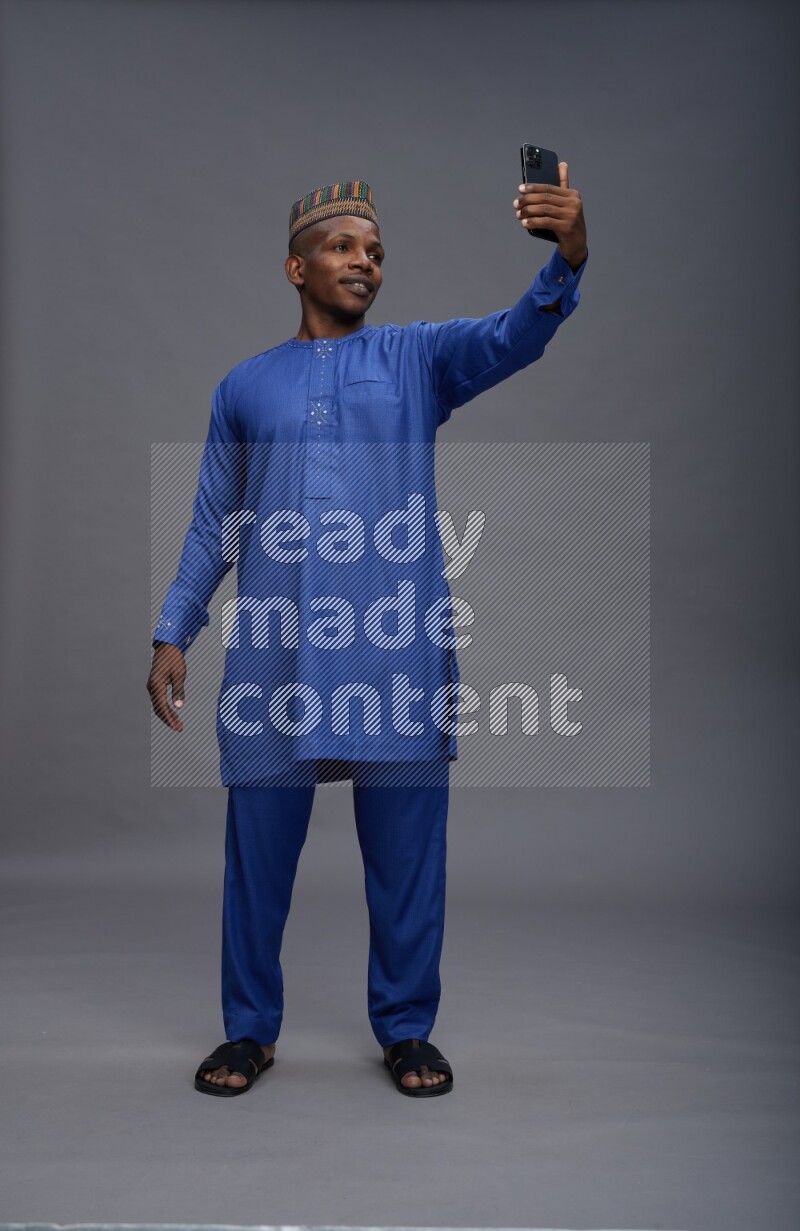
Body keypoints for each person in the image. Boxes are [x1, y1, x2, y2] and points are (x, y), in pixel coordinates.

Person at [147, 171, 588, 1098]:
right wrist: (172, 630)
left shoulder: (418, 359)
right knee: (257, 858)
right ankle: (248, 1031)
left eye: (376, 253)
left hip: (394, 651)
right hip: (275, 654)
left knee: (407, 857)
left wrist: (568, 257)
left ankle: (407, 1028)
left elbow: (517, 336)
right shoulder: (245, 385)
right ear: (295, 264)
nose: (365, 264)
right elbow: (212, 523)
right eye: (345, 247)